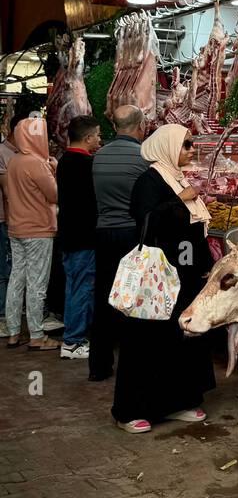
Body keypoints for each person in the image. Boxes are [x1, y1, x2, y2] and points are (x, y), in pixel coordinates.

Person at [111, 124, 215, 433]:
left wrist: (203, 264)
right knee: (147, 340)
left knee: (179, 338)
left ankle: (175, 402)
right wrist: (181, 199)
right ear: (168, 147)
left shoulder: (175, 176)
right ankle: (129, 410)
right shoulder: (150, 181)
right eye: (186, 145)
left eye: (191, 144)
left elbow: (191, 230)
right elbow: (146, 220)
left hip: (183, 273)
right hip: (157, 276)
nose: (192, 149)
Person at [90, 105, 149, 380]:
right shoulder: (143, 157)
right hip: (131, 234)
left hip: (103, 233)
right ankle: (133, 365)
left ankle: (99, 367)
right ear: (141, 126)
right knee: (132, 300)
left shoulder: (99, 156)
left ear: (114, 127)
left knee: (103, 297)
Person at [4, 115, 59, 350]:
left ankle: (14, 332)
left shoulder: (14, 161)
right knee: (37, 283)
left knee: (16, 279)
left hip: (16, 228)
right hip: (38, 230)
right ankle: (36, 335)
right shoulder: (37, 163)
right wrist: (54, 170)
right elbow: (55, 195)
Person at [56, 115, 102, 361]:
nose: (99, 138)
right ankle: (73, 342)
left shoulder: (64, 161)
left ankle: (75, 336)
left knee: (74, 286)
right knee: (81, 288)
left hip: (68, 235)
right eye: (97, 135)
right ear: (87, 138)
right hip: (83, 237)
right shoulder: (86, 164)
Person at [0, 128, 19, 337]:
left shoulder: (17, 156)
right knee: (6, 272)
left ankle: (10, 322)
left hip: (14, 221)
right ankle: (5, 317)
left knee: (13, 271)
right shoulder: (3, 153)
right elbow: (8, 192)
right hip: (7, 219)